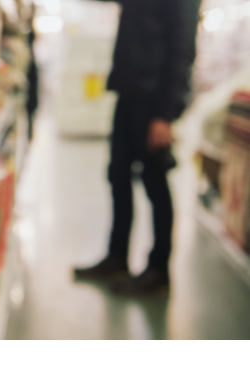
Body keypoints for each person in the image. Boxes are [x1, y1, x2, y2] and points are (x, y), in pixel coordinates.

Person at [74, 0, 201, 295]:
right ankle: (117, 257)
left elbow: (183, 48)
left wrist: (166, 113)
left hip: (154, 101)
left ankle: (158, 270)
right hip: (128, 91)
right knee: (117, 174)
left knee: (155, 181)